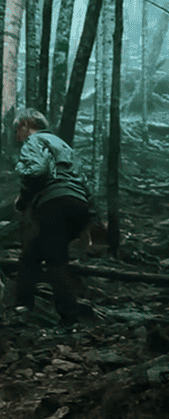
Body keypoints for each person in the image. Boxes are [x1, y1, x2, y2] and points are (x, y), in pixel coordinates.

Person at [11, 108, 94, 328]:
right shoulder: (62, 145)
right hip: (78, 205)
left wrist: (22, 201)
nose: (16, 136)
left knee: (56, 261)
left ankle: (69, 321)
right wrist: (86, 225)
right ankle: (22, 307)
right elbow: (85, 182)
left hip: (54, 203)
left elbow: (36, 171)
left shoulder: (34, 141)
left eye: (16, 129)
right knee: (31, 255)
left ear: (26, 124)